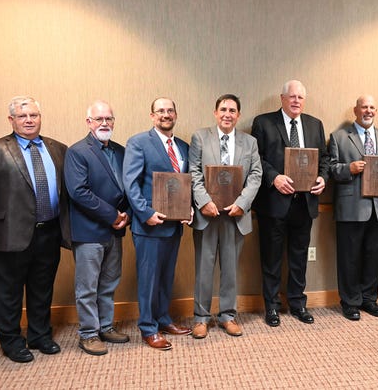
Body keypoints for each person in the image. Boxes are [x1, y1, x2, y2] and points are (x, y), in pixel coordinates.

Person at [0, 96, 69, 363]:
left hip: (49, 231)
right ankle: (12, 342)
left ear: (40, 117)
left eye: (34, 115)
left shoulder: (58, 148)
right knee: (8, 291)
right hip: (9, 233)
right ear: (11, 120)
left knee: (42, 287)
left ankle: (39, 335)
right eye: (23, 116)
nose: (29, 120)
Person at [252, 80, 331, 326]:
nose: (296, 101)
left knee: (299, 258)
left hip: (304, 203)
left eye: (300, 97)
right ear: (282, 98)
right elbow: (257, 158)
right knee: (272, 258)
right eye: (292, 96)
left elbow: (324, 160)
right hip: (274, 203)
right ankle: (272, 307)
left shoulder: (314, 124)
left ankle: (297, 304)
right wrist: (274, 178)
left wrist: (322, 178)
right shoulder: (263, 122)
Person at [189, 94, 262, 338]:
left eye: (232, 110)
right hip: (207, 214)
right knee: (204, 267)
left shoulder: (249, 142)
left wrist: (242, 203)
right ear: (215, 112)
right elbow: (194, 172)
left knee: (230, 268)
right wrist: (204, 202)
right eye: (223, 109)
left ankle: (228, 315)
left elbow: (255, 175)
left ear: (238, 115)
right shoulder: (200, 137)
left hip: (235, 214)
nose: (227, 114)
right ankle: (201, 317)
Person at [123, 97, 192, 350]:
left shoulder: (183, 146)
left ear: (176, 115)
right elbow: (130, 183)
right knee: (148, 278)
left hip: (173, 226)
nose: (166, 114)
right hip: (149, 225)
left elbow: (186, 183)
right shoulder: (139, 142)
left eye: (170, 110)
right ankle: (148, 327)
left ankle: (163, 319)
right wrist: (145, 212)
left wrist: (189, 209)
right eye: (160, 111)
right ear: (152, 116)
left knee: (165, 276)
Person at [64, 100, 131, 355]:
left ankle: (105, 326)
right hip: (89, 231)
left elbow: (128, 188)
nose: (105, 123)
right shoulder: (78, 152)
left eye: (109, 119)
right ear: (88, 122)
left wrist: (126, 215)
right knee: (87, 286)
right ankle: (88, 334)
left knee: (109, 282)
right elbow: (78, 192)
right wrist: (112, 215)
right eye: (99, 119)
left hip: (115, 230)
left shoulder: (121, 151)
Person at [328, 95, 378, 321]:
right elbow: (331, 169)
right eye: (364, 107)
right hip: (351, 206)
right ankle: (350, 302)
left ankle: (369, 299)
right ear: (355, 110)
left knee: (373, 255)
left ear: (376, 111)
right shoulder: (338, 137)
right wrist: (349, 168)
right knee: (349, 257)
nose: (368, 111)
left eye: (372, 107)